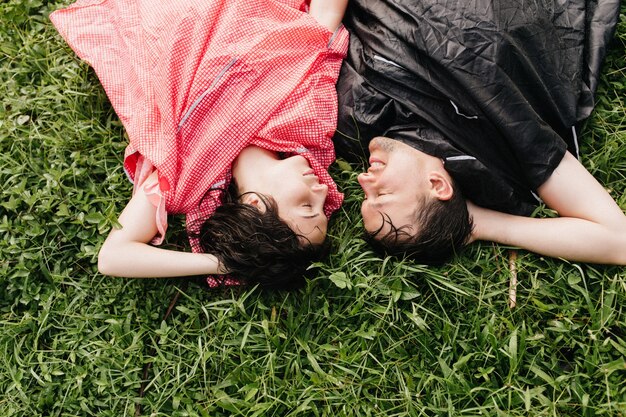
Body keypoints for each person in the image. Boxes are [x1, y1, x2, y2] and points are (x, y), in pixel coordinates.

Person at [50, 0, 349, 288]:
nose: (323, 190)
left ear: (255, 205)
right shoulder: (306, 124)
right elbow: (320, 28)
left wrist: (225, 262)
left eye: (308, 205)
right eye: (323, 206)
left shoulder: (186, 176)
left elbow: (113, 257)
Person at [333, 0, 626, 265]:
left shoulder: (351, 123)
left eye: (365, 196)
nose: (362, 180)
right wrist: (481, 223)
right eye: (381, 193)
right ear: (438, 185)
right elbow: (617, 241)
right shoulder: (505, 148)